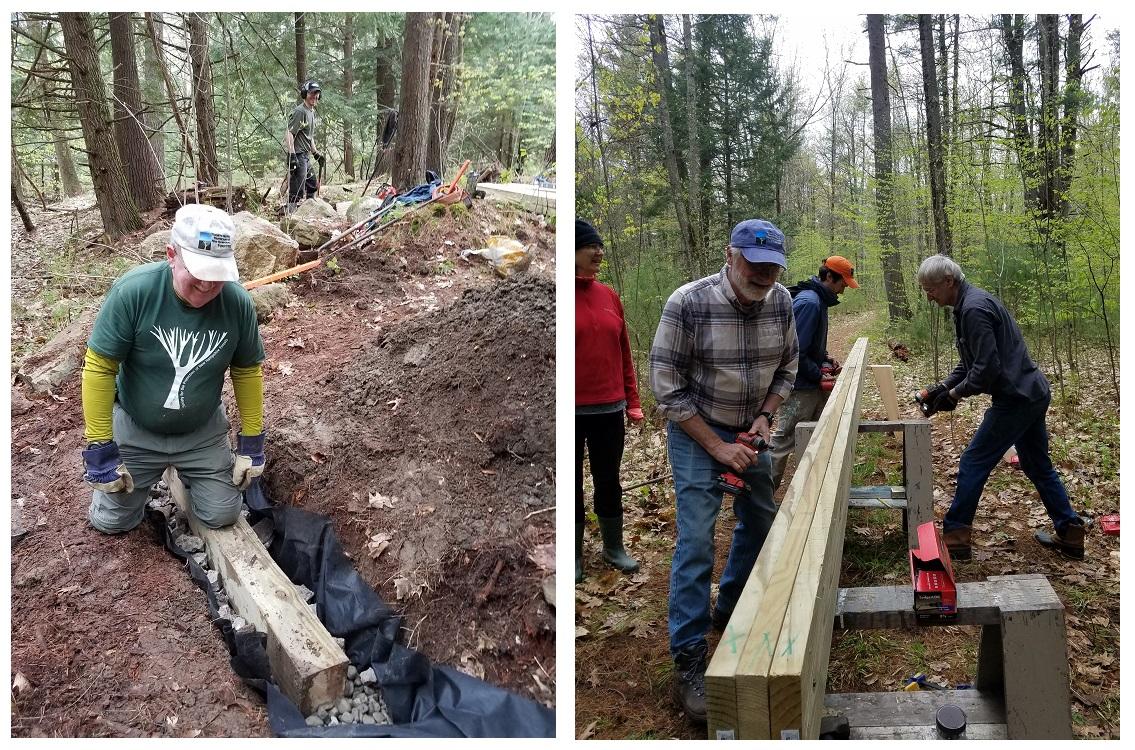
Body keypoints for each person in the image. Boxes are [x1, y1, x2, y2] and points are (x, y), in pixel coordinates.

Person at [649, 218, 798, 722]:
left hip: (750, 430)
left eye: (771, 269)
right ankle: (689, 660)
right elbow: (666, 387)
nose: (762, 278)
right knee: (695, 541)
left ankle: (730, 604)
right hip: (699, 429)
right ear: (730, 256)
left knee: (761, 520)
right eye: (754, 267)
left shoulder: (781, 301)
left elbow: (788, 368)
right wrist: (716, 446)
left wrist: (764, 417)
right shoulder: (688, 303)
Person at [81, 204, 266, 534]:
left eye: (217, 274)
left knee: (223, 514)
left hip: (201, 432)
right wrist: (101, 447)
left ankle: (194, 476)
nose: (209, 284)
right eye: (199, 270)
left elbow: (247, 370)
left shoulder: (237, 304)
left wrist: (252, 441)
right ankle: (147, 479)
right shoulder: (134, 293)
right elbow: (99, 368)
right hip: (137, 429)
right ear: (171, 254)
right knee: (110, 522)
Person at [917, 254, 1086, 560]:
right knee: (1037, 464)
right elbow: (971, 362)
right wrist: (941, 388)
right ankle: (1071, 532)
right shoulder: (970, 304)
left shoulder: (973, 309)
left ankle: (955, 537)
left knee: (973, 461)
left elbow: (985, 371)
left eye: (930, 288)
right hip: (1031, 392)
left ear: (948, 281)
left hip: (1016, 399)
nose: (928, 296)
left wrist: (955, 395)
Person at [575, 219, 643, 584]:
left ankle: (613, 547)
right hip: (571, 412)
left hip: (609, 409)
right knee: (571, 484)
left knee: (608, 480)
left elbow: (624, 354)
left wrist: (632, 400)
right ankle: (573, 556)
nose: (599, 252)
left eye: (600, 246)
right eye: (591, 247)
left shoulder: (609, 296)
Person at [770, 256, 859, 489]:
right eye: (842, 284)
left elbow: (806, 344)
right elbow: (795, 352)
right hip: (799, 386)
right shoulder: (810, 302)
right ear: (829, 277)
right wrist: (818, 375)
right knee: (783, 441)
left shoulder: (818, 299)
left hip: (807, 382)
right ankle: (758, 501)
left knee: (816, 432)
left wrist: (824, 358)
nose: (843, 291)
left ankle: (811, 487)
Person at [285, 79, 325, 215]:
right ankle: (290, 217)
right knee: (296, 190)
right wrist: (292, 155)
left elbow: (309, 136)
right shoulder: (300, 111)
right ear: (305, 94)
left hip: (305, 156)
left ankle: (308, 214)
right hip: (297, 155)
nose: (314, 96)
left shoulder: (311, 112)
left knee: (312, 185)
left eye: (317, 94)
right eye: (311, 93)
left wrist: (315, 153)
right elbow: (289, 132)